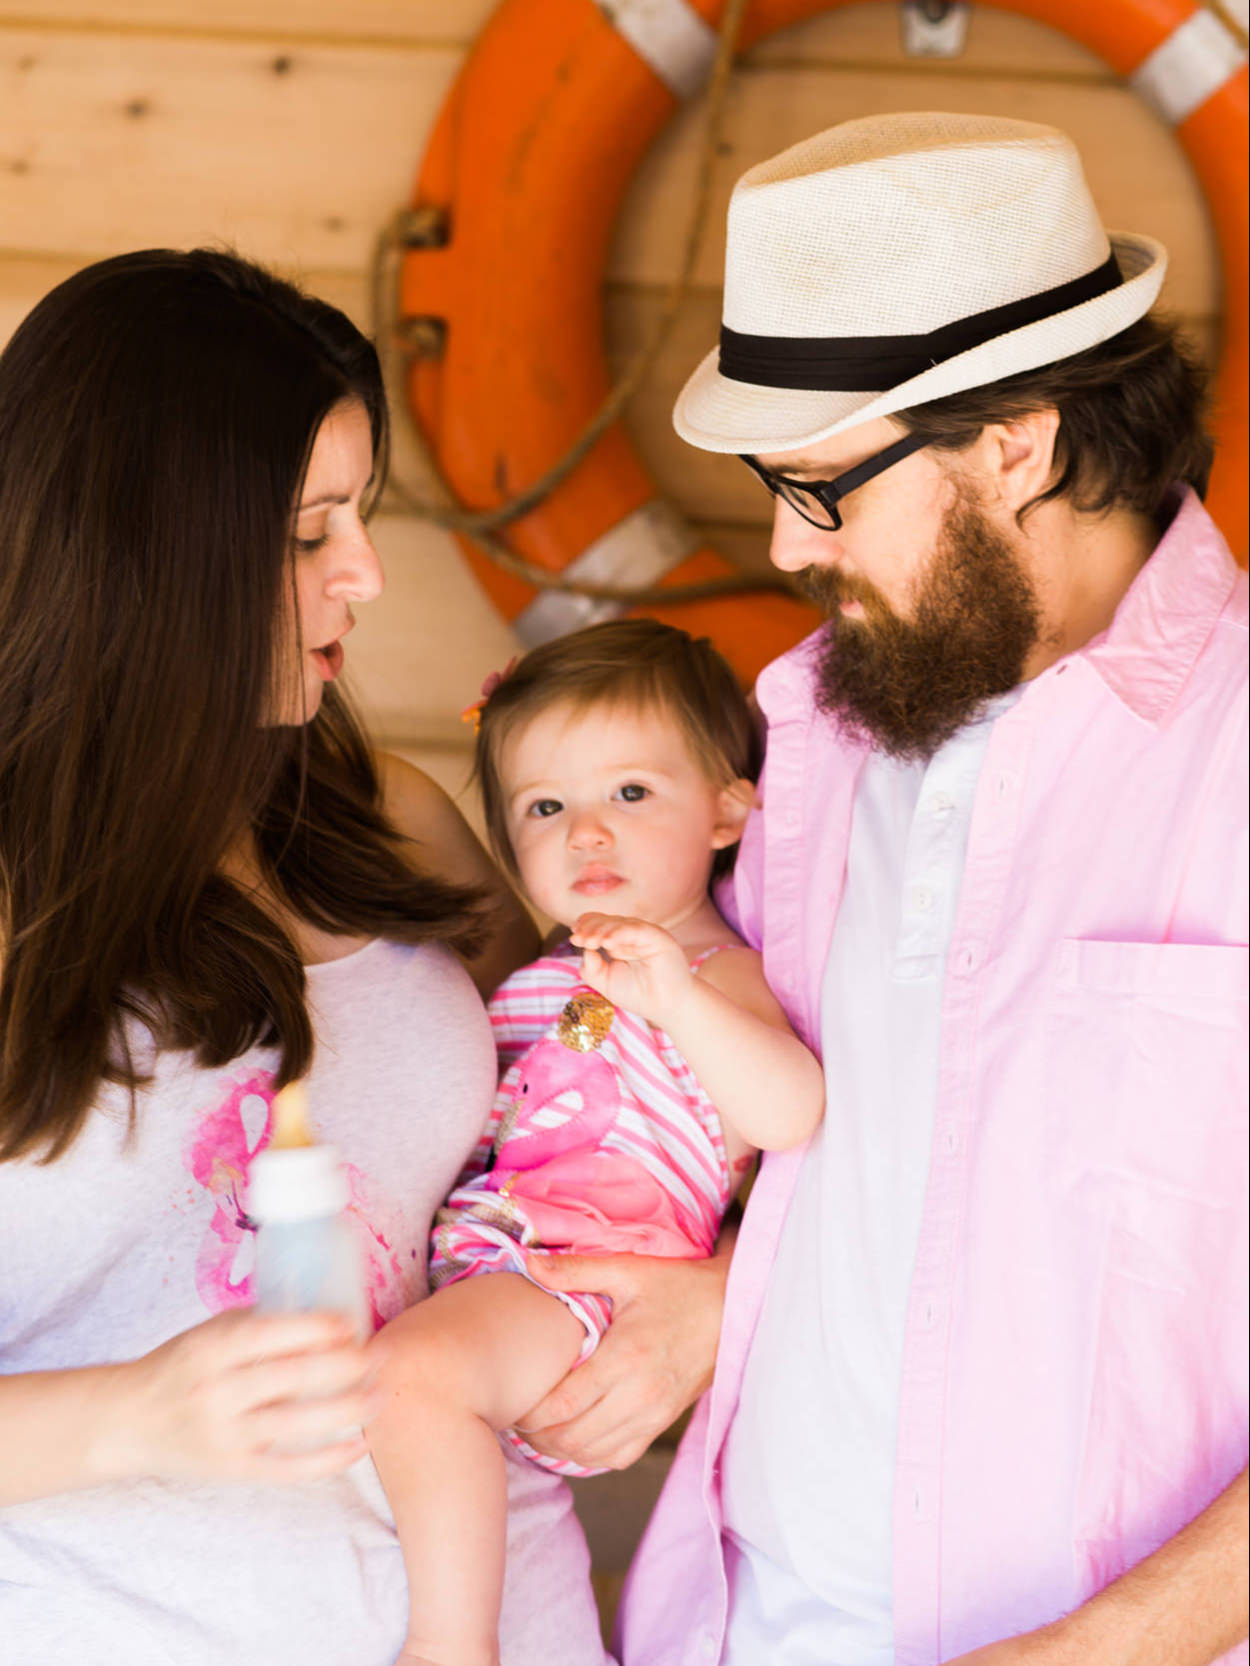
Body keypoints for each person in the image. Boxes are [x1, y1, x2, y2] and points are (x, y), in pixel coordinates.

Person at [610, 112, 1249, 1665]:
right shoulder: (809, 730)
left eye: (818, 485)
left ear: (1017, 441)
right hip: (737, 1621)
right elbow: (820, 1153)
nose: (779, 541)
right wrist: (708, 1288)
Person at [0, 248, 615, 1665]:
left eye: (363, 514)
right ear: (148, 546)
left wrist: (689, 1311)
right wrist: (131, 1415)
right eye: (306, 530)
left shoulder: (390, 820)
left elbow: (618, 1110)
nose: (368, 573)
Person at [365, 620, 824, 1666]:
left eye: (629, 793)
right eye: (544, 807)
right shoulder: (563, 979)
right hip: (510, 1263)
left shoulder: (712, 974)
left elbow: (784, 1113)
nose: (586, 835)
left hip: (585, 1279)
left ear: (724, 807)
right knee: (412, 1391)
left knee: (412, 1381)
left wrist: (673, 991)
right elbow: (554, 1084)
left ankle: (451, 1645)